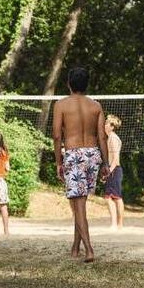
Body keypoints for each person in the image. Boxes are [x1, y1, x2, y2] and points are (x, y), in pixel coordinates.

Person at [53, 67, 109, 263]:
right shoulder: (96, 106)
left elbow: (57, 135)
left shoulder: (61, 105)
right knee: (79, 203)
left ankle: (89, 250)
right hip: (93, 154)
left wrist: (58, 162)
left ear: (69, 83)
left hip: (74, 154)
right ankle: (75, 247)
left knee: (78, 205)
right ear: (87, 84)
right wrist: (106, 163)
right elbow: (102, 137)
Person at [103, 114, 124, 230]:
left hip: (114, 169)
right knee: (111, 197)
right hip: (112, 169)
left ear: (112, 127)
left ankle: (117, 224)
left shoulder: (113, 138)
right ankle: (116, 224)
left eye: (107, 123)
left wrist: (108, 172)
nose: (105, 124)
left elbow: (115, 159)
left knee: (115, 197)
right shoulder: (110, 138)